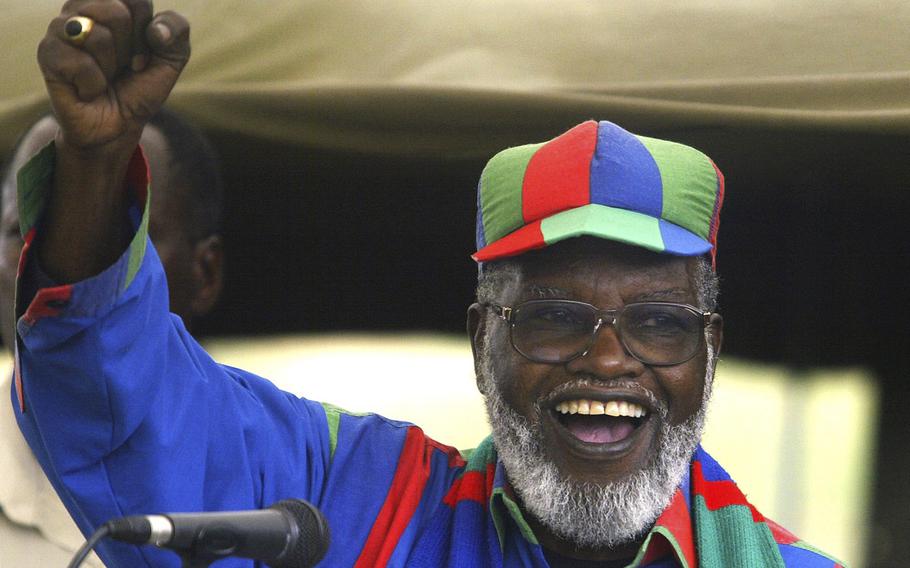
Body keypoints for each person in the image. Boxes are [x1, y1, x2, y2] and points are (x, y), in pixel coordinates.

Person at [11, 1, 842, 566]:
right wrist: (92, 166)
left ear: (710, 348)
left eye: (659, 321)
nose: (608, 362)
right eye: (554, 316)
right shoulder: (359, 503)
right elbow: (130, 408)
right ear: (483, 340)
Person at [0, 109, 225, 566]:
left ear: (204, 274)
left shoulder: (288, 497)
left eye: (114, 236)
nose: (56, 267)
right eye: (19, 230)